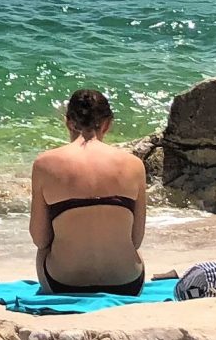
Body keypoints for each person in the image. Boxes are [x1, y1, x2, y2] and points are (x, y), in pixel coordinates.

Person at [29, 87, 147, 295]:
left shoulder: (44, 164)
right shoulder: (134, 164)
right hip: (127, 284)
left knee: (44, 250)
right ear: (107, 124)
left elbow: (40, 239)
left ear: (68, 122)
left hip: (63, 284)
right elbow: (135, 240)